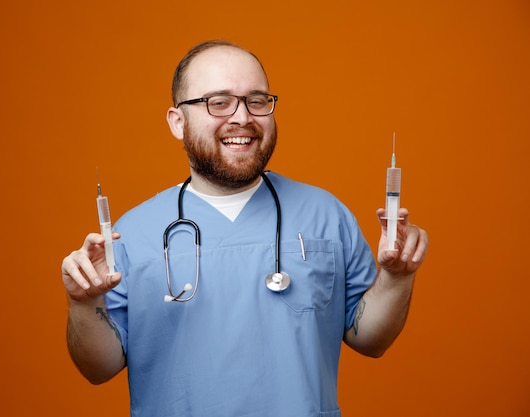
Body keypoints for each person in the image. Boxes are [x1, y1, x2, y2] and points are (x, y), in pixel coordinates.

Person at [61, 40, 428, 417]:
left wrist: (397, 278)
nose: (243, 117)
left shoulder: (326, 215)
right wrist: (84, 303)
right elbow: (98, 369)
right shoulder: (132, 235)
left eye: (257, 100)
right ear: (177, 121)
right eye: (218, 102)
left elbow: (369, 339)